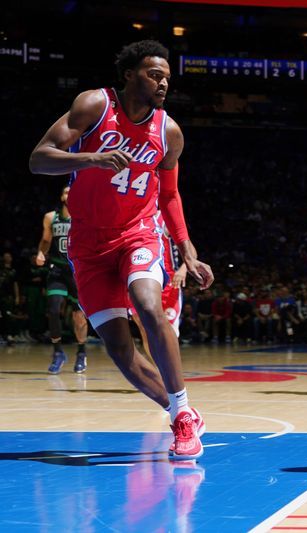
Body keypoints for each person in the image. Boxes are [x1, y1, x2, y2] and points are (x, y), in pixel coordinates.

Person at [29, 40, 213, 460]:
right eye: (154, 74)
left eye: (167, 76)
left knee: (148, 304)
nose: (163, 81)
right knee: (118, 347)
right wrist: (91, 159)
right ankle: (177, 409)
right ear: (130, 74)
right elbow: (39, 159)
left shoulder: (169, 132)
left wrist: (186, 250)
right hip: (88, 244)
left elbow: (169, 195)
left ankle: (183, 418)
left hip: (138, 232)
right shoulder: (95, 105)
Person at [36, 185, 90, 374]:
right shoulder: (51, 217)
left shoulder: (84, 217)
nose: (69, 194)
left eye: (72, 191)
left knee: (79, 316)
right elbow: (45, 240)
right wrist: (41, 253)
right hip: (57, 268)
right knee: (53, 308)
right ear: (61, 197)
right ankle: (58, 353)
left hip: (77, 271)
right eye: (66, 191)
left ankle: (81, 352)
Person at [130, 219, 187, 357]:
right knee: (145, 330)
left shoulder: (165, 219)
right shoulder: (132, 218)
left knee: (169, 333)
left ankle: (170, 372)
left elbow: (190, 249)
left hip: (168, 283)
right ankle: (160, 372)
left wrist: (184, 268)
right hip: (140, 279)